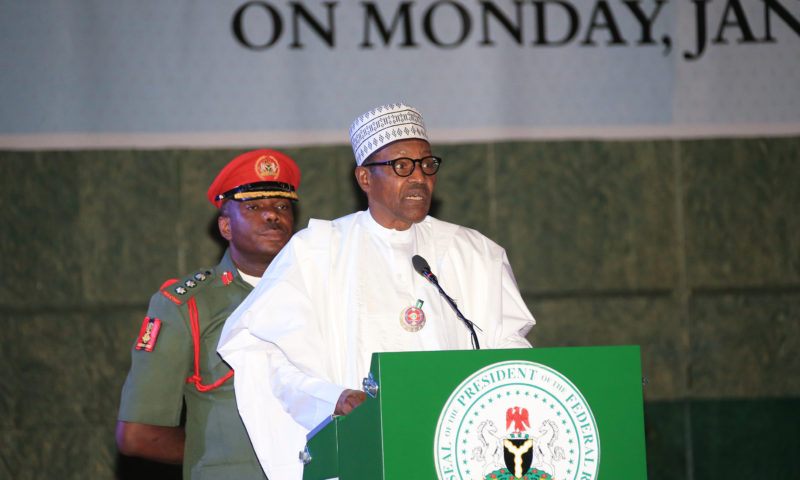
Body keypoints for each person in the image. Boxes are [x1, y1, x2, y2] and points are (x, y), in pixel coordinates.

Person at [217, 103, 535, 479]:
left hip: (455, 454)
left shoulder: (475, 252)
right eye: (402, 166)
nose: (419, 178)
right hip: (364, 453)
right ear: (365, 178)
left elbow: (511, 352)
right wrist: (329, 398)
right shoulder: (317, 251)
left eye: (426, 164)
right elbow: (260, 349)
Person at [116, 149, 301, 479]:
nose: (273, 216)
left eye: (282, 206)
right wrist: (218, 459)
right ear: (226, 227)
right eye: (254, 207)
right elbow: (138, 436)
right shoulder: (186, 305)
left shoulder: (319, 293)